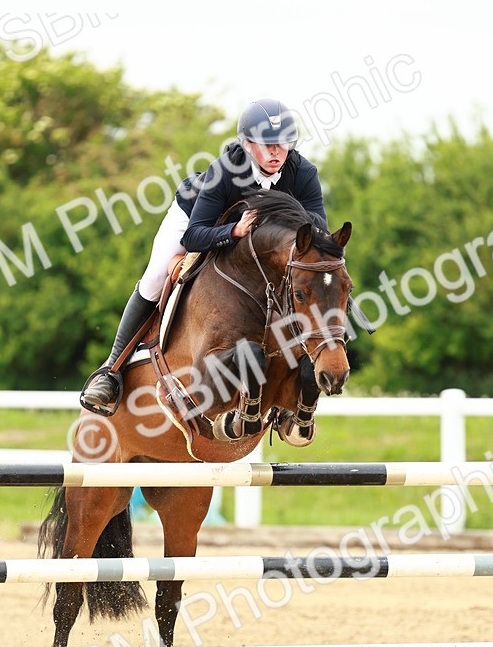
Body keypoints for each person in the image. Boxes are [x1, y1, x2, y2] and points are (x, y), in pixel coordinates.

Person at [80, 98, 329, 415]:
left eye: (283, 144)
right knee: (155, 278)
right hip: (196, 219)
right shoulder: (223, 172)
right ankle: (111, 371)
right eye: (267, 145)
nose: (277, 152)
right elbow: (193, 236)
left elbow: (319, 228)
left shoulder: (302, 172)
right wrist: (233, 232)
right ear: (248, 144)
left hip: (254, 237)